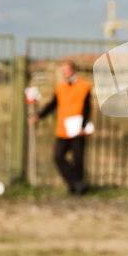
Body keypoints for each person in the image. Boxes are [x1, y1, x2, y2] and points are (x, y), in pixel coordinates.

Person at [30, 61, 92, 195]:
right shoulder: (60, 87)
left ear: (74, 70)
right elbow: (52, 104)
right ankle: (73, 182)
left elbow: (88, 108)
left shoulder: (84, 85)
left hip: (77, 128)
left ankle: (79, 187)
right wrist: (39, 116)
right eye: (63, 70)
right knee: (58, 156)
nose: (65, 73)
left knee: (78, 159)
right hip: (63, 129)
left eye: (67, 70)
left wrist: (83, 126)